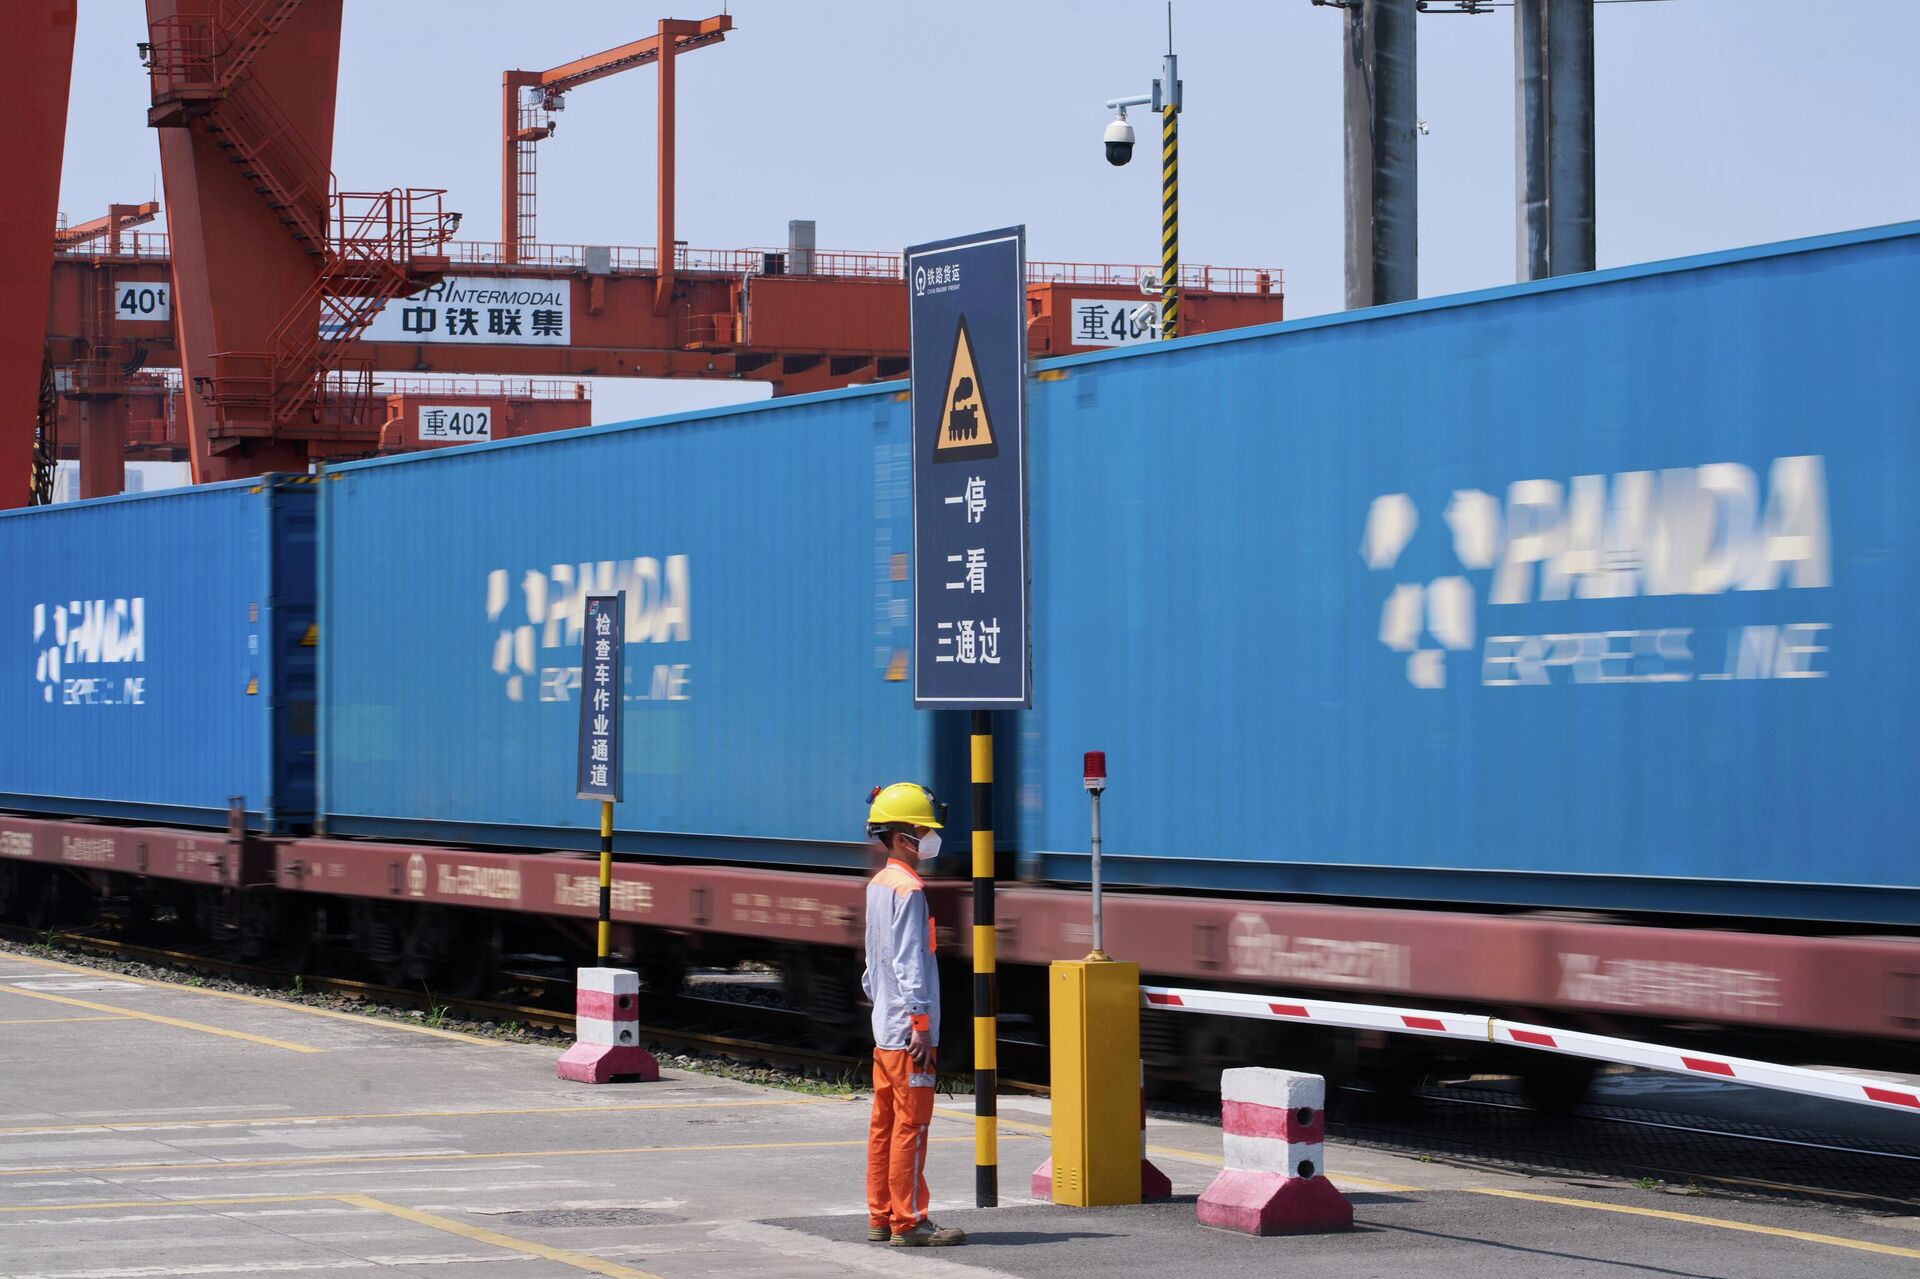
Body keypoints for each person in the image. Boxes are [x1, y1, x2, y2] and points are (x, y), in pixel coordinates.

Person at [862, 782, 967, 1247]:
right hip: (910, 1035)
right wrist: (921, 1024)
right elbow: (909, 962)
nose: (930, 838)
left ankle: (881, 1217)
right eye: (925, 830)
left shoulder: (879, 885)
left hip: (885, 1030)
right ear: (904, 835)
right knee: (913, 1127)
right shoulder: (911, 890)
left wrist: (889, 1012)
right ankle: (910, 1221)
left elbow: (872, 965)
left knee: (884, 1126)